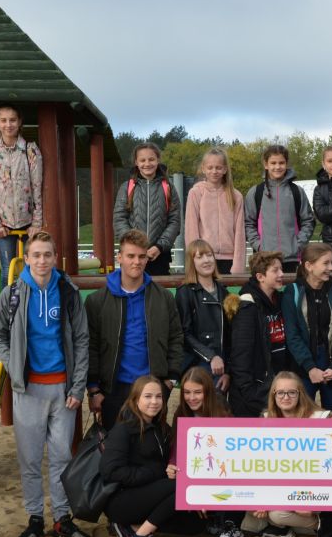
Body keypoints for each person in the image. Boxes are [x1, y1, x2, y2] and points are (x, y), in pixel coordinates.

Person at [0, 231, 91, 537]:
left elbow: (81, 339)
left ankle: (61, 518)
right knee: (30, 459)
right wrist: (14, 365)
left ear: (55, 257)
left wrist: (78, 386)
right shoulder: (13, 294)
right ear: (27, 258)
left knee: (61, 457)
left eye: (47, 254)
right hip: (28, 389)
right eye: (36, 255)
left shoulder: (68, 292)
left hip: (63, 390)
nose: (42, 261)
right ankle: (35, 518)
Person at [85, 230, 183, 430]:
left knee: (151, 445)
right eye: (130, 256)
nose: (136, 262)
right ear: (119, 257)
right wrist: (93, 389)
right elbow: (90, 346)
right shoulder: (96, 301)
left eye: (141, 256)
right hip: (113, 389)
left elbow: (176, 338)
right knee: (116, 445)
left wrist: (170, 381)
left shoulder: (164, 297)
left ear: (147, 259)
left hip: (153, 386)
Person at [101, 376, 204, 537]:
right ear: (135, 399)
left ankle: (131, 526)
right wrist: (157, 473)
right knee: (182, 488)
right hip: (121, 500)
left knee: (195, 525)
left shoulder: (161, 428)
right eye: (148, 396)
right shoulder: (123, 429)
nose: (154, 402)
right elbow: (110, 471)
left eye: (158, 397)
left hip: (150, 494)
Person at [244, 372, 332, 537]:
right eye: (281, 393)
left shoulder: (320, 418)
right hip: (282, 487)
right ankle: (285, 527)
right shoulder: (265, 420)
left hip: (312, 490)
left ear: (300, 394)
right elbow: (260, 465)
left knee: (278, 514)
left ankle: (320, 524)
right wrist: (261, 499)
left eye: (292, 392)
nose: (286, 397)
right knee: (249, 502)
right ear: (273, 395)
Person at [166, 367, 243, 537]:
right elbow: (177, 449)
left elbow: (231, 456)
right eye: (187, 392)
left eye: (197, 392)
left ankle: (231, 525)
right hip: (195, 471)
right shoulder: (181, 413)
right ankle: (211, 518)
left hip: (220, 471)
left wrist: (205, 490)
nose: (192, 397)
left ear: (207, 392)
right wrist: (172, 465)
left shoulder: (221, 413)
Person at [282, 243, 332, 413]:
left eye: (331, 262)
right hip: (304, 366)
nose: (331, 268)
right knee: (302, 415)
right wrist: (310, 367)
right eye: (326, 263)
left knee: (331, 414)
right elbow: (292, 335)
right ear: (309, 266)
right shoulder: (292, 291)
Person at [0, 104, 42, 287]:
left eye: (12, 120)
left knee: (32, 269)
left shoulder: (30, 150)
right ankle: (8, 305)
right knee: (7, 270)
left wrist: (37, 222)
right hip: (4, 223)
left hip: (28, 223)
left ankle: (30, 304)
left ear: (19, 122)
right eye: (4, 120)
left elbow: (37, 187)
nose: (8, 125)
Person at [224, 251, 291, 417]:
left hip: (277, 386)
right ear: (260, 277)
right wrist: (252, 395)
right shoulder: (247, 307)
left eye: (281, 269)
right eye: (275, 270)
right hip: (255, 397)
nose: (281, 274)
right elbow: (241, 357)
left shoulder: (281, 300)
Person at [244, 144, 315, 273]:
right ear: (266, 164)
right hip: (264, 258)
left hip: (291, 258)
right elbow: (248, 223)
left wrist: (298, 245)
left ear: (286, 164)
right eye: (273, 163)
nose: (277, 167)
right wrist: (259, 246)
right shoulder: (256, 192)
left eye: (281, 163)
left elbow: (308, 221)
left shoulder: (297, 191)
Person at [112, 142, 181, 276]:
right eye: (142, 160)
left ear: (158, 160)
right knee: (132, 287)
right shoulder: (126, 187)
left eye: (151, 159)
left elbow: (175, 221)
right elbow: (119, 219)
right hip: (133, 255)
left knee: (158, 289)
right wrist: (134, 245)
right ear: (136, 162)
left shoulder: (168, 187)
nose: (147, 164)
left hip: (160, 255)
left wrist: (159, 246)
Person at [176, 240, 233, 392]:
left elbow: (230, 337)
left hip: (222, 367)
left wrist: (228, 371)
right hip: (197, 364)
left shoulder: (224, 292)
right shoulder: (185, 292)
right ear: (191, 262)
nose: (206, 260)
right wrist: (211, 357)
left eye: (209, 255)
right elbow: (184, 334)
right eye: (200, 257)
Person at [184, 147, 246, 274]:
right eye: (210, 167)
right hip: (204, 258)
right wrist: (195, 259)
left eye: (218, 167)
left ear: (225, 169)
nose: (214, 171)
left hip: (229, 260)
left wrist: (238, 265)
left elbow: (240, 232)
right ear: (203, 168)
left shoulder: (236, 196)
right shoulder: (196, 193)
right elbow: (191, 229)